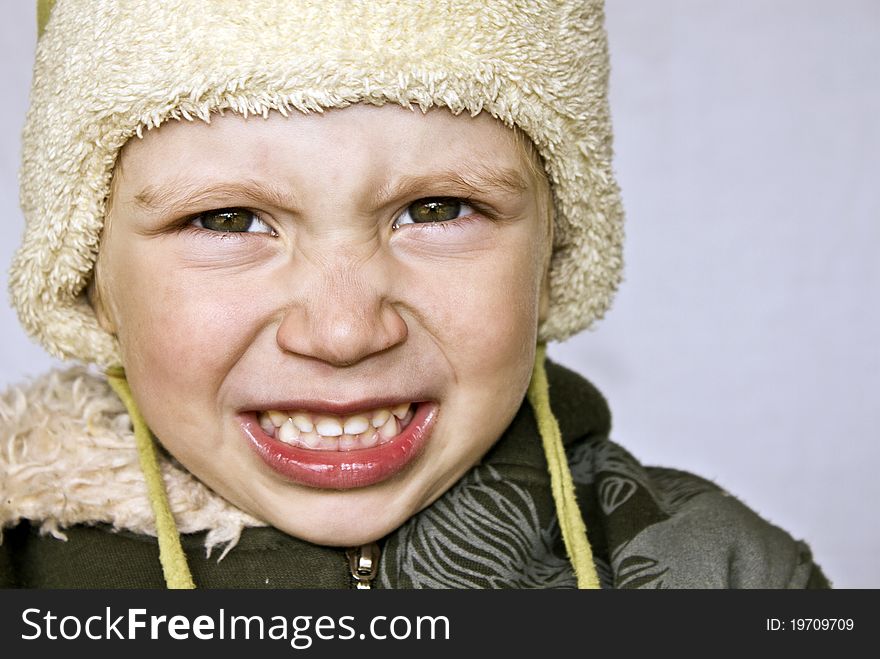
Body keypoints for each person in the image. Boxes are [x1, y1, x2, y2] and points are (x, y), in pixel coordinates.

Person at [0, 0, 828, 589]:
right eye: (228, 218)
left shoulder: (725, 577)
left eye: (436, 210)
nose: (344, 331)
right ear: (88, 281)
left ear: (553, 256)